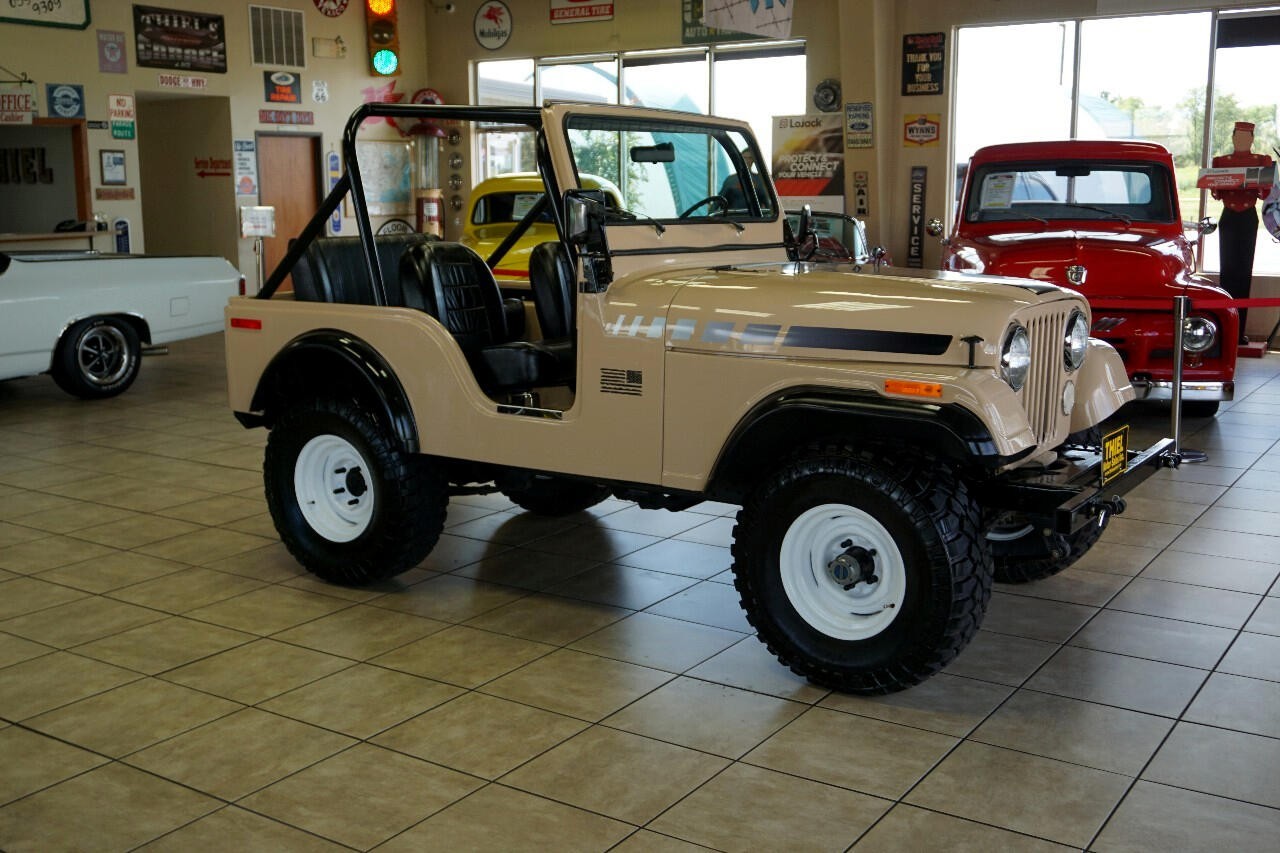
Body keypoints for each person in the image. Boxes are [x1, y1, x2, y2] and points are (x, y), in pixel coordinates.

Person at [1210, 121, 1274, 344]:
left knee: (1244, 272)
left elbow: (1265, 193)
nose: (1242, 140)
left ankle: (1239, 333)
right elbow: (1215, 193)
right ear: (1233, 137)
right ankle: (1226, 329)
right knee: (1227, 272)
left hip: (1248, 217)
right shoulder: (1220, 162)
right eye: (1239, 136)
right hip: (1228, 216)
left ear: (1252, 139)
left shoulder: (1261, 161)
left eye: (1247, 137)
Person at [720, 149, 769, 213]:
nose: (747, 160)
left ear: (753, 160)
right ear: (740, 160)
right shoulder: (730, 180)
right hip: (734, 218)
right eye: (744, 158)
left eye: (750, 158)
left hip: (754, 219)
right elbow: (719, 202)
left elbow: (767, 202)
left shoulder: (759, 180)